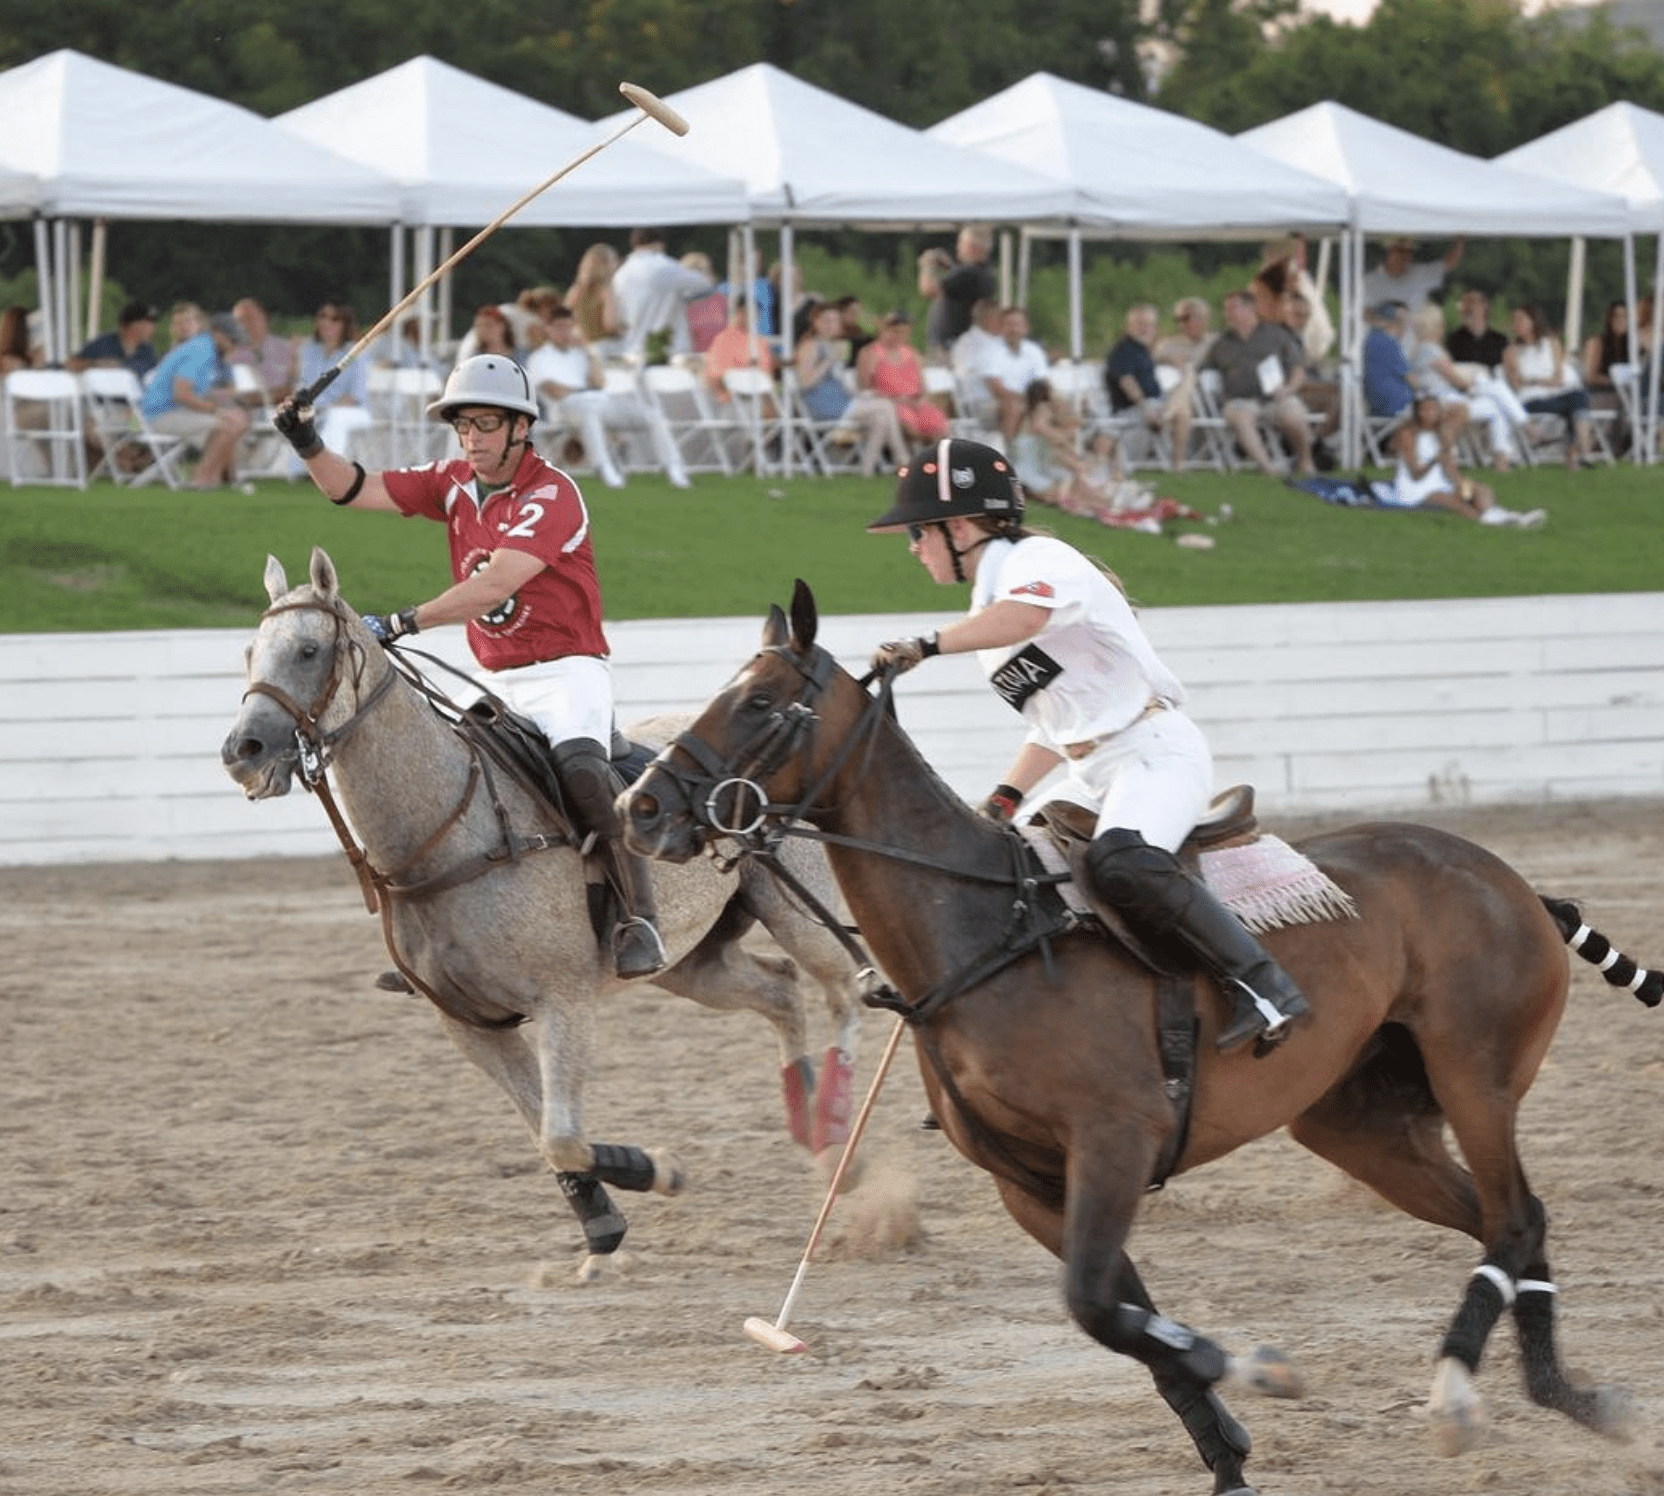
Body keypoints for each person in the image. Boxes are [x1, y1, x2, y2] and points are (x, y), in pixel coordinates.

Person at [864, 438, 1309, 1055]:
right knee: (1000, 869)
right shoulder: (987, 606)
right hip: (1091, 767)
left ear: (960, 527)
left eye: (918, 531)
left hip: (1152, 751)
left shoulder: (1037, 560)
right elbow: (1053, 724)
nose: (913, 547)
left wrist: (926, 645)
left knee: (1123, 861)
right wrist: (1003, 799)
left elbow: (1025, 619)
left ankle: (1266, 988)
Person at [271, 355, 667, 980]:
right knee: (439, 780)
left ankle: (639, 917)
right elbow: (351, 488)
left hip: (568, 671)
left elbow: (493, 585)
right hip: (496, 677)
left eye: (486, 424)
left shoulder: (552, 493)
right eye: (463, 426)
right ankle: (442, 935)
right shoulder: (453, 482)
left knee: (583, 774)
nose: (473, 439)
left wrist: (402, 622)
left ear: (520, 428)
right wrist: (307, 441)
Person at [527, 304, 690, 489]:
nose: (565, 332)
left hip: (596, 399)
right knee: (589, 411)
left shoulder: (580, 354)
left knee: (652, 414)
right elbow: (555, 392)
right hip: (565, 408)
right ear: (548, 329)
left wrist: (588, 353)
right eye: (559, 327)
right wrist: (580, 390)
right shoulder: (539, 357)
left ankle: (674, 466)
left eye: (569, 327)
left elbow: (598, 383)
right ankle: (604, 467)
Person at [1201, 289, 1315, 477]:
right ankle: (1267, 468)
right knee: (1239, 416)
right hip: (1240, 400)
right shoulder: (1220, 342)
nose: (1227, 313)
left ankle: (1305, 461)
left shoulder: (1276, 335)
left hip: (1275, 396)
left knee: (1294, 414)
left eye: (1232, 308)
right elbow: (1202, 367)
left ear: (1250, 308)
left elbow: (1297, 368)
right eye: (1226, 309)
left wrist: (1289, 389)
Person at [1390, 393, 1544, 527]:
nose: (1430, 414)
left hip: (1440, 483)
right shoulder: (1407, 434)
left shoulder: (1442, 433)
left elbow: (1449, 465)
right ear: (1417, 413)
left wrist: (1460, 484)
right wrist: (1434, 461)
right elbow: (1415, 474)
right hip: (1415, 490)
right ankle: (1495, 522)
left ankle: (1503, 517)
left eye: (1434, 409)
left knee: (1480, 490)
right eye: (1425, 410)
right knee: (1458, 504)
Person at [138, 310, 251, 490]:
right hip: (160, 415)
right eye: (232, 341)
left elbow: (196, 393)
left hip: (170, 411)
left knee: (236, 420)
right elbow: (181, 394)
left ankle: (217, 478)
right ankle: (202, 479)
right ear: (217, 333)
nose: (233, 347)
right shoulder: (202, 351)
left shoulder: (203, 348)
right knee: (230, 423)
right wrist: (217, 410)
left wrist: (224, 404)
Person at [792, 301, 907, 478]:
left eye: (835, 321)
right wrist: (826, 362)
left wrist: (862, 395)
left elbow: (838, 382)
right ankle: (904, 461)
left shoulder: (834, 345)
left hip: (841, 402)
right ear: (817, 323)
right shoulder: (810, 346)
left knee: (880, 419)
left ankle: (866, 472)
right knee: (885, 406)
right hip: (822, 406)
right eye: (827, 321)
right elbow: (805, 383)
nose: (832, 326)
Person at [1407, 303, 1527, 470]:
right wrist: (1472, 383)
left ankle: (1506, 450)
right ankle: (1504, 454)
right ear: (1435, 326)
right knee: (1496, 403)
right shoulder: (1431, 350)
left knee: (1494, 398)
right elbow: (1457, 380)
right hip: (1444, 400)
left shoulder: (1418, 350)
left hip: (1435, 398)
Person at [1503, 302, 1596, 469]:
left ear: (1533, 321)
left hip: (1556, 393)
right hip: (1531, 400)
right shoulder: (1511, 351)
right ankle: (1581, 451)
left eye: (1521, 319)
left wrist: (1533, 380)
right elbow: (1517, 384)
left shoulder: (1551, 342)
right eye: (1514, 320)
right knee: (1576, 402)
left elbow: (1558, 377)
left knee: (1578, 396)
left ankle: (1580, 450)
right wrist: (1542, 381)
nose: (1516, 323)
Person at [1104, 303, 1193, 471]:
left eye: (1151, 325)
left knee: (1184, 401)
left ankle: (1176, 458)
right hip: (1135, 409)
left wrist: (1169, 359)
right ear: (1129, 326)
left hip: (1155, 405)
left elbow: (1151, 359)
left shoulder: (1141, 350)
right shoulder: (1123, 350)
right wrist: (1145, 406)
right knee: (1183, 401)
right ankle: (1177, 463)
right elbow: (1127, 382)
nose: (1146, 329)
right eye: (1141, 324)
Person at [1010, 378, 1114, 517]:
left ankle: (1102, 503)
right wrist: (1071, 431)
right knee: (1069, 495)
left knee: (1074, 490)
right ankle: (1103, 505)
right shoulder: (1042, 409)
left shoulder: (1030, 414)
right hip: (1029, 474)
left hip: (1032, 471)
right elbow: (1045, 430)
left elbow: (1055, 438)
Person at [293, 300, 372, 473]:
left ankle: (329, 471)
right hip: (315, 408)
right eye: (323, 317)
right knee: (297, 417)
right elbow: (302, 386)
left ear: (345, 324)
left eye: (335, 319)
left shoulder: (355, 352)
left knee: (335, 416)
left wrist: (324, 409)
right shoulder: (309, 350)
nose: (327, 322)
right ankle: (301, 470)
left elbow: (355, 396)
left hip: (353, 410)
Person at [613, 227, 714, 361]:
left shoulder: (620, 275)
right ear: (660, 243)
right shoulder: (666, 266)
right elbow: (705, 284)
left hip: (633, 351)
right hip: (672, 350)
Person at [856, 309, 949, 442]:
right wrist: (896, 399)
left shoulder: (912, 353)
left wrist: (920, 398)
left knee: (940, 425)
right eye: (895, 332)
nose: (899, 336)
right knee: (911, 426)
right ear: (884, 329)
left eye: (904, 333)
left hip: (915, 403)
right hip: (890, 404)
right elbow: (865, 389)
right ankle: (922, 454)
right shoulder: (870, 353)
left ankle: (934, 452)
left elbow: (922, 384)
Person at [917, 225, 997, 356]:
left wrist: (927, 265)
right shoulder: (985, 272)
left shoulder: (967, 273)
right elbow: (957, 288)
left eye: (961, 243)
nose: (958, 247)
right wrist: (950, 267)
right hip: (964, 345)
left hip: (949, 346)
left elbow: (928, 290)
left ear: (973, 248)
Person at [979, 304, 1050, 445]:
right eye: (1009, 325)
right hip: (993, 404)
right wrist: (1025, 400)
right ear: (1001, 328)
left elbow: (1043, 383)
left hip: (1030, 400)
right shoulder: (990, 352)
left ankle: (1066, 455)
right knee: (1013, 406)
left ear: (1026, 328)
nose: (1014, 329)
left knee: (1059, 406)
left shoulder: (1034, 351)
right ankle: (1011, 454)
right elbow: (996, 388)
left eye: (1018, 324)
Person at [702, 296, 776, 403]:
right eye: (743, 311)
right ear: (736, 313)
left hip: (761, 394)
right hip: (734, 398)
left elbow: (767, 369)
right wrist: (745, 368)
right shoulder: (723, 339)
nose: (746, 315)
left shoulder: (760, 341)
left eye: (751, 312)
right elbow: (715, 374)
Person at [1362, 236, 1464, 309]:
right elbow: (1360, 312)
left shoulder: (1420, 274)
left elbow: (1450, 263)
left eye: (1409, 251)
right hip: (1376, 339)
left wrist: (1460, 236)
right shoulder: (1368, 281)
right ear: (1388, 252)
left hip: (1415, 339)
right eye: (1400, 251)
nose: (1405, 256)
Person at [67, 299, 159, 380]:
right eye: (148, 323)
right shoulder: (104, 343)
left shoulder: (147, 350)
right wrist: (95, 364)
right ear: (133, 325)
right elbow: (71, 363)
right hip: (103, 398)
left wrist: (119, 365)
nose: (153, 328)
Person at [228, 297, 295, 401]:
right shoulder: (233, 357)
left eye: (249, 318)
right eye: (239, 321)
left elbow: (291, 390)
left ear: (264, 317)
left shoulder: (287, 349)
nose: (245, 325)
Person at [565, 242, 624, 353]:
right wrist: (623, 331)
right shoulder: (606, 290)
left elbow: (566, 319)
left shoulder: (575, 290)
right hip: (605, 348)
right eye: (614, 260)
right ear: (607, 264)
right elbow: (610, 325)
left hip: (581, 347)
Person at [1445, 288, 1510, 371]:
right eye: (1466, 309)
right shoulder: (1454, 340)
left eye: (1473, 304)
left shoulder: (1500, 341)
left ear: (1485, 308)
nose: (1469, 309)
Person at [679, 252, 728, 354]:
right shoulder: (678, 303)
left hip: (717, 357)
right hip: (687, 359)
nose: (696, 276)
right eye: (692, 271)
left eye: (700, 270)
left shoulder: (721, 299)